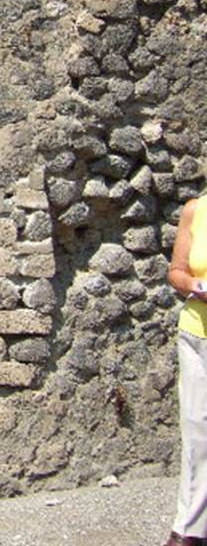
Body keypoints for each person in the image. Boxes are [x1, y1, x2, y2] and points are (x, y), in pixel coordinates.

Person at [167, 198, 207, 546]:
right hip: (196, 334)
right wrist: (193, 286)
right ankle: (189, 529)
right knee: (197, 431)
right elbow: (176, 271)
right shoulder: (196, 210)